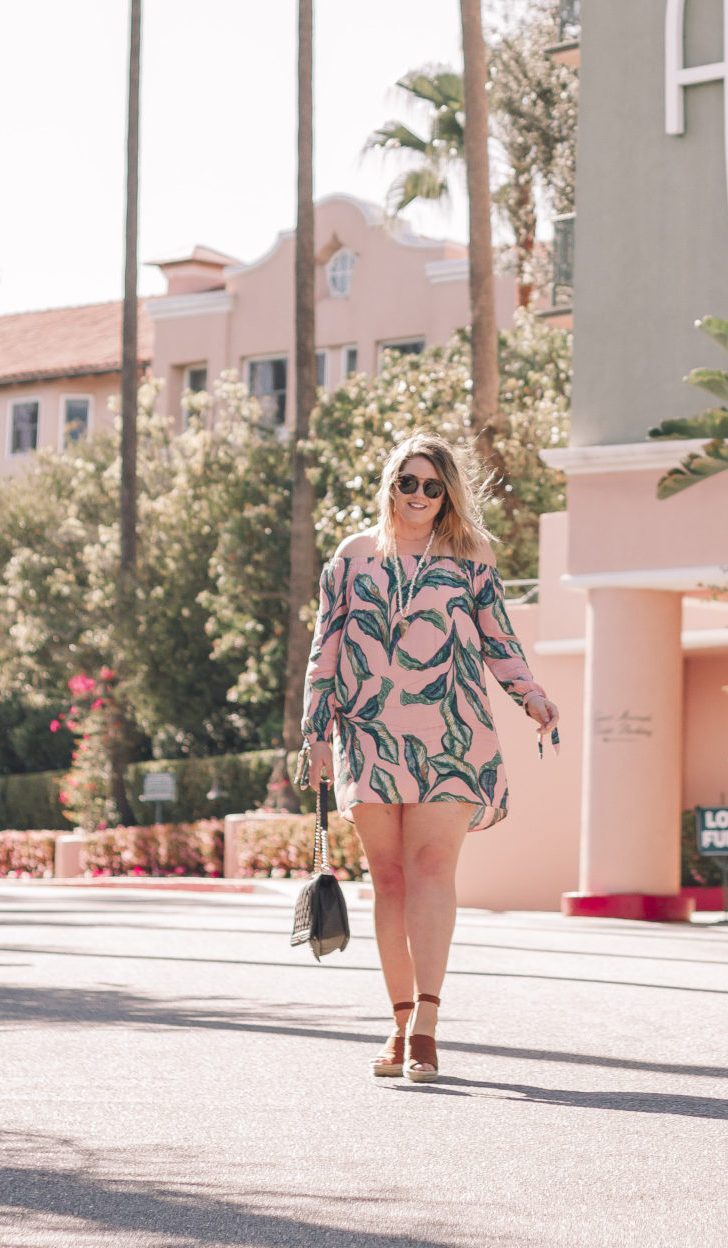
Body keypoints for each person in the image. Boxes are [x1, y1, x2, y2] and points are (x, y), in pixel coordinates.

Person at [301, 430, 559, 1083]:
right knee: (388, 879)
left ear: (447, 494)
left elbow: (499, 640)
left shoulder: (470, 557)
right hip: (367, 733)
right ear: (390, 484)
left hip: (452, 732)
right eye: (407, 482)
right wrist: (314, 734)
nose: (418, 495)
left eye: (431, 486)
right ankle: (396, 1019)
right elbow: (324, 649)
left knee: (434, 867)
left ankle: (427, 1030)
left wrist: (530, 695)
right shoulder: (353, 557)